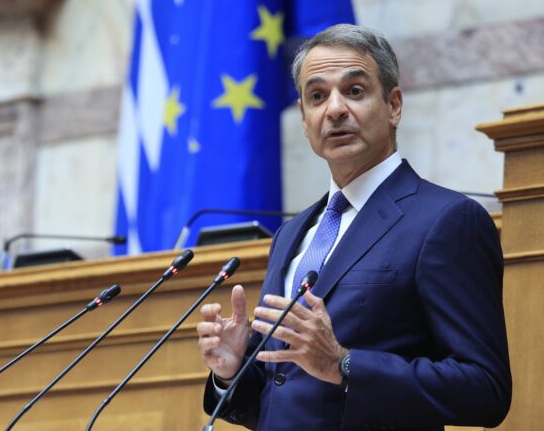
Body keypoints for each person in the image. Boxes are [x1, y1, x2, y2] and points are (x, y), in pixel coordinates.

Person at [197, 24, 511, 430]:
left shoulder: (447, 220)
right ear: (305, 119)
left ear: (393, 106)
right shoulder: (291, 235)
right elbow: (283, 393)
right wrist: (230, 371)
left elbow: (485, 390)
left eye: (355, 91)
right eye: (317, 96)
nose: (334, 109)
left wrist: (343, 364)